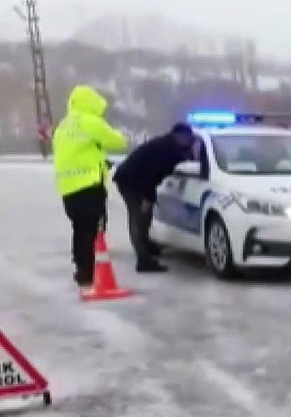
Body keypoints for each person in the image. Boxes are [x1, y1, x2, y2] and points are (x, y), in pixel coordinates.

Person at [51, 85, 129, 293]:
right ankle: (89, 275)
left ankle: (81, 270)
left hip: (67, 188)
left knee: (80, 230)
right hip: (87, 185)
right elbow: (118, 141)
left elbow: (78, 154)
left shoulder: (63, 126)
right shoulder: (89, 122)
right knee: (90, 231)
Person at [111, 123, 196, 272]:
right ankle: (143, 261)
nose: (190, 141)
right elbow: (149, 175)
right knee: (139, 218)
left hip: (137, 179)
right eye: (188, 138)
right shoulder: (163, 149)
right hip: (130, 181)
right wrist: (146, 198)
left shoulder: (171, 146)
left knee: (145, 216)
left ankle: (147, 246)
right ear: (179, 136)